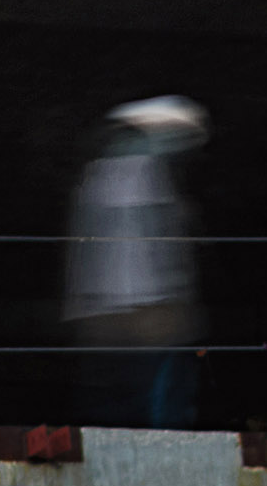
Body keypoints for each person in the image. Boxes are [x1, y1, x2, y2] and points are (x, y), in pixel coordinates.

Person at [61, 94, 210, 432]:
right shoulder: (143, 174)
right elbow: (158, 253)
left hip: (104, 317)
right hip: (149, 315)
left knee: (115, 406)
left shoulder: (94, 178)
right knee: (160, 404)